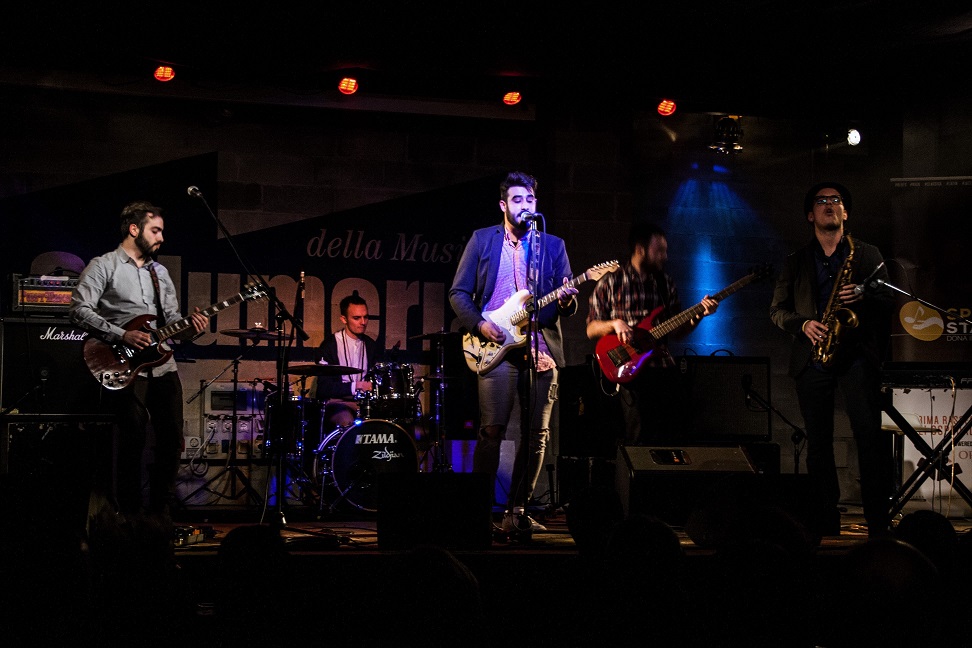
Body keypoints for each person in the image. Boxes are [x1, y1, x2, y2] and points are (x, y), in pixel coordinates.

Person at [449, 170, 577, 534]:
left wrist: (566, 301)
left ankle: (517, 511)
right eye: (518, 199)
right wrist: (479, 324)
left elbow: (566, 305)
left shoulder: (553, 245)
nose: (525, 205)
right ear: (503, 206)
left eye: (530, 199)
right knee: (492, 431)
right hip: (496, 346)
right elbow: (458, 293)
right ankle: (478, 514)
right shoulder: (482, 240)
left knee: (537, 435)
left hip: (540, 349)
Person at [769, 181, 893, 538]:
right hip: (814, 355)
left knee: (868, 436)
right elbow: (776, 311)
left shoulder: (866, 254)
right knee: (819, 442)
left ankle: (878, 521)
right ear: (811, 215)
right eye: (821, 201)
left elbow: (889, 300)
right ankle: (825, 519)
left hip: (857, 355)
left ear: (845, 212)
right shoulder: (796, 261)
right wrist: (803, 324)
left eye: (836, 200)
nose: (829, 204)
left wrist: (865, 294)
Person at [70, 200, 209, 517]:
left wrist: (191, 328)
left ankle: (160, 515)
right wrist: (121, 334)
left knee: (172, 440)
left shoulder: (160, 273)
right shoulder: (103, 266)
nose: (162, 237)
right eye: (155, 230)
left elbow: (172, 322)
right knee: (131, 439)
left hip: (162, 366)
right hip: (123, 365)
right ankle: (129, 515)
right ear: (134, 229)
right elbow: (78, 310)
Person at [586, 222, 718, 445]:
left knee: (672, 437)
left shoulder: (665, 284)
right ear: (640, 250)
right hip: (631, 372)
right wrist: (615, 324)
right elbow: (591, 329)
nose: (665, 256)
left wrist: (698, 316)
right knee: (638, 439)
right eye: (660, 251)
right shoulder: (610, 282)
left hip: (662, 369)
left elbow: (677, 333)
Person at [314, 292, 378, 428]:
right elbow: (323, 388)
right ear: (344, 319)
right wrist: (356, 386)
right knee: (347, 423)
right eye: (356, 318)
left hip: (364, 403)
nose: (363, 322)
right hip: (338, 403)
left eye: (366, 317)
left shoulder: (371, 345)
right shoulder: (330, 345)